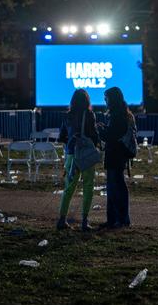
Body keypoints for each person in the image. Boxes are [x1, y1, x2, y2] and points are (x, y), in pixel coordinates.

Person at [56, 89, 100, 231]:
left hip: (71, 154)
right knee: (88, 187)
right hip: (86, 155)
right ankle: (84, 221)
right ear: (87, 101)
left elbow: (62, 137)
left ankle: (62, 219)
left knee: (69, 188)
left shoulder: (67, 116)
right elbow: (94, 136)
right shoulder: (89, 115)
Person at [99, 87, 134, 229]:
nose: (105, 101)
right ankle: (114, 219)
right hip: (118, 155)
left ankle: (120, 219)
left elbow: (112, 136)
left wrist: (101, 130)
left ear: (112, 99)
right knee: (114, 187)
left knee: (115, 188)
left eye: (106, 98)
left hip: (115, 155)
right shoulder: (121, 114)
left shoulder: (117, 116)